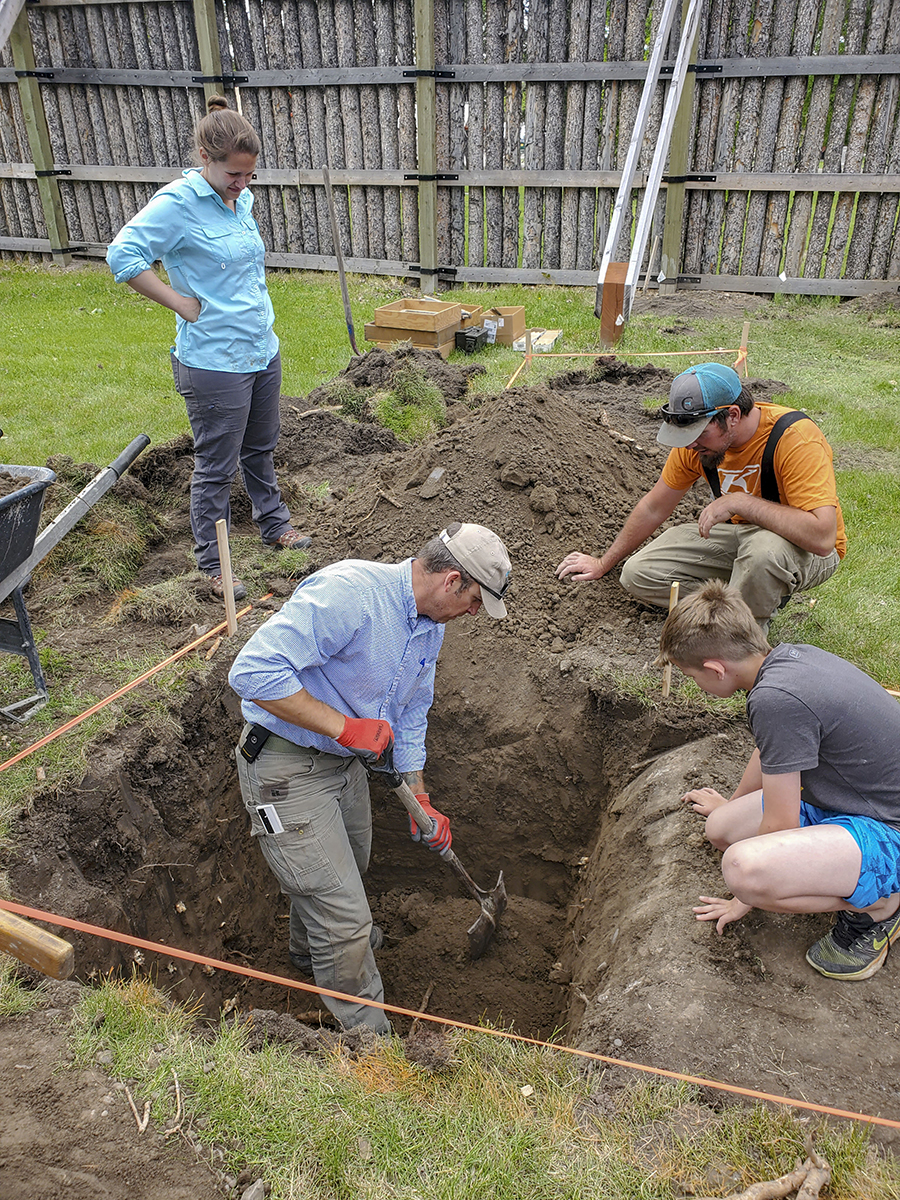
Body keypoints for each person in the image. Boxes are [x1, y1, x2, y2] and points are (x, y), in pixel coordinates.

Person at [228, 522, 512, 1033]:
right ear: (451, 581)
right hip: (284, 768)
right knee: (345, 919)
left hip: (342, 768)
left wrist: (420, 797)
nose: (474, 614)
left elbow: (410, 715)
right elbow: (251, 671)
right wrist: (343, 726)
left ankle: (307, 954)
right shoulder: (350, 594)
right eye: (474, 601)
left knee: (346, 870)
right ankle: (371, 1044)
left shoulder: (430, 625)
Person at [106, 95, 310, 601]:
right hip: (214, 362)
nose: (242, 185)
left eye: (249, 176)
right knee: (216, 466)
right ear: (205, 158)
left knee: (260, 449)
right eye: (232, 175)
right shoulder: (177, 203)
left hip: (261, 348)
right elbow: (122, 255)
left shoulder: (240, 199)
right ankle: (212, 563)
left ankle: (274, 524)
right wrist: (180, 302)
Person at [658, 580, 900, 981]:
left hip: (890, 829)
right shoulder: (785, 663)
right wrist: (732, 804)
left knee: (743, 869)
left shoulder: (775, 700)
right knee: (722, 827)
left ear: (716, 669)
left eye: (690, 674)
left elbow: (780, 827)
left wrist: (743, 899)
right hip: (855, 800)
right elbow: (772, 751)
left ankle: (881, 909)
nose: (694, 683)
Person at [556, 362, 845, 625]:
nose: (690, 445)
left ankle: (742, 639)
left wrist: (740, 503)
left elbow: (821, 539)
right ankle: (738, 603)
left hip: (804, 548)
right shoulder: (697, 446)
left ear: (732, 415)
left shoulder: (795, 439)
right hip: (742, 538)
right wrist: (603, 562)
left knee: (763, 555)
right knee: (638, 573)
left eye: (698, 433)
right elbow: (655, 507)